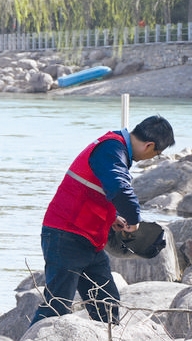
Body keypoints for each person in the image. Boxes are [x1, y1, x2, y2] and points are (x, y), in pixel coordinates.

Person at [31, 115, 175, 325]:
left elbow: (96, 188)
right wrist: (133, 219)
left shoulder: (115, 149)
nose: (152, 157)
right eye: (157, 153)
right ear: (149, 145)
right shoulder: (111, 148)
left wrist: (112, 217)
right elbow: (118, 188)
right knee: (57, 306)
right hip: (66, 236)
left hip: (88, 239)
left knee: (107, 304)